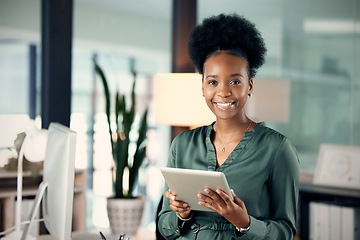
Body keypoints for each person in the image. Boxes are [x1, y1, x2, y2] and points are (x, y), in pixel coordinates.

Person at [157, 13, 300, 240]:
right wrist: (180, 215)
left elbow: (286, 231)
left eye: (235, 81)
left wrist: (244, 223)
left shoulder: (277, 148)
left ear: (249, 85)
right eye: (213, 81)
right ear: (203, 87)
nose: (223, 92)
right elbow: (165, 226)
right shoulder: (182, 144)